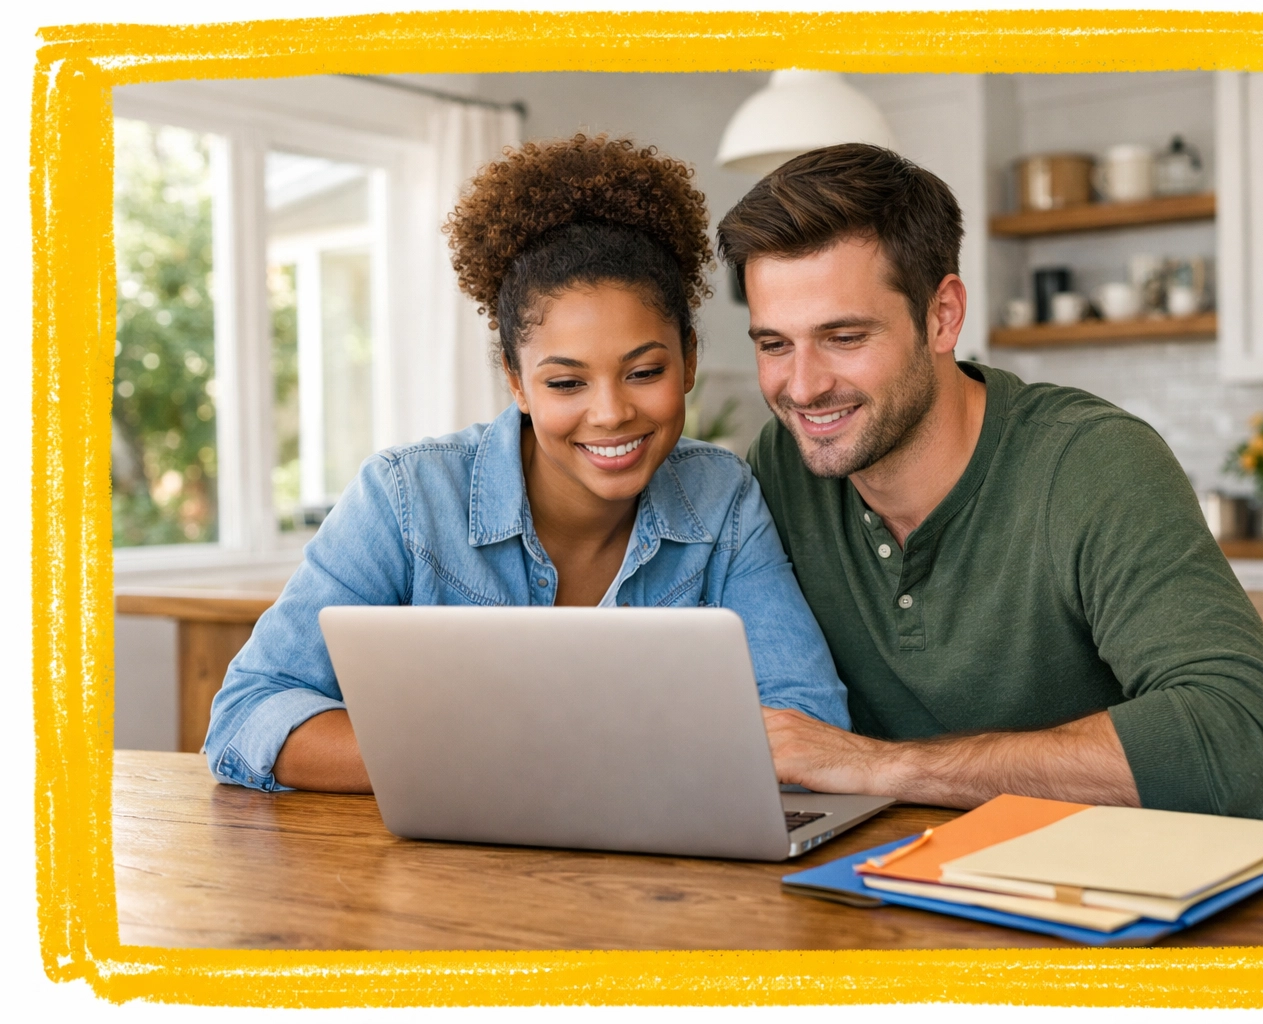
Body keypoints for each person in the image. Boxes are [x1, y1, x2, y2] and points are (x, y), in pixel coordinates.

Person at [205, 135, 849, 793]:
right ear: (516, 381)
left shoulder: (722, 497)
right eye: (566, 383)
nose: (610, 414)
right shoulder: (406, 498)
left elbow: (808, 723)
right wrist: (501, 760)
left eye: (644, 371)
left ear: (688, 359)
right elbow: (249, 714)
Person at [717, 144, 1263, 819]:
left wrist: (879, 766)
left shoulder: (1093, 464)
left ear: (943, 315)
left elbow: (1243, 740)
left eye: (844, 337)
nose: (803, 387)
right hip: (870, 892)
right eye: (773, 345)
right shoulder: (784, 465)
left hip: (1086, 900)